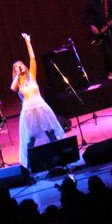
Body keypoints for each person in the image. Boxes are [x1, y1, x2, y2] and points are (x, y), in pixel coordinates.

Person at [11, 33, 66, 169]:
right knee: (30, 139)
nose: (20, 66)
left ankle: (60, 157)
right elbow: (12, 88)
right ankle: (30, 166)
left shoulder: (32, 76)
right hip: (29, 112)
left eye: (21, 64)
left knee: (50, 132)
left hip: (41, 107)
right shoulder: (18, 83)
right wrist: (17, 75)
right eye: (17, 66)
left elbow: (32, 58)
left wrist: (28, 41)